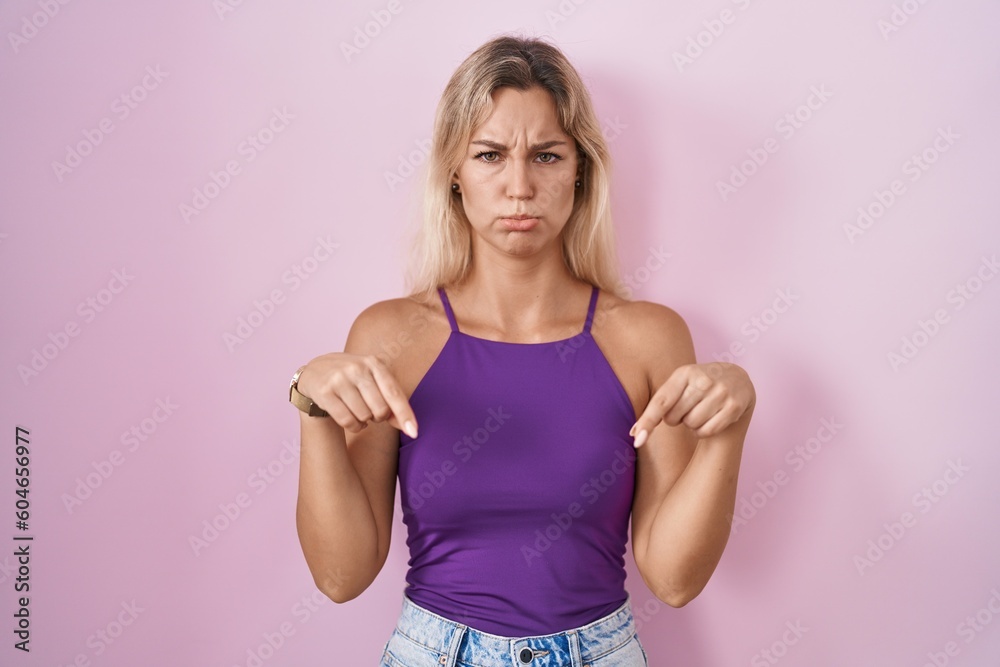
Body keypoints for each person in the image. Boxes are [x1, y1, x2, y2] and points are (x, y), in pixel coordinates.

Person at [291, 33, 756, 667]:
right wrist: (312, 409)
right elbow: (340, 577)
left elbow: (674, 580)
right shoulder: (389, 337)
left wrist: (731, 427)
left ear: (580, 170)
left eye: (546, 155)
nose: (518, 186)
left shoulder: (648, 337)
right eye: (489, 155)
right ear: (454, 173)